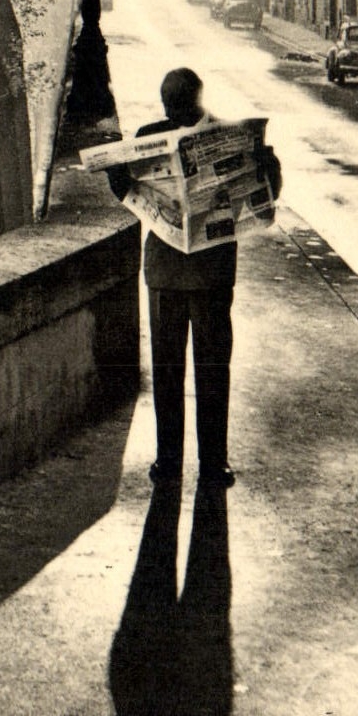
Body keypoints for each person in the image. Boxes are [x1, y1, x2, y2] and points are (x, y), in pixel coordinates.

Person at [107, 67, 281, 489]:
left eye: (181, 108)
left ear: (198, 101)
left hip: (210, 274)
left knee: (212, 370)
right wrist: (115, 172)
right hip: (167, 274)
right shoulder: (150, 136)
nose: (173, 116)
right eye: (169, 108)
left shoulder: (229, 134)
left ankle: (212, 462)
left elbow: (267, 195)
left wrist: (265, 164)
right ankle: (169, 460)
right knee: (167, 372)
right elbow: (128, 192)